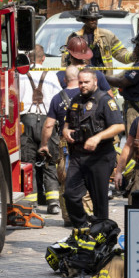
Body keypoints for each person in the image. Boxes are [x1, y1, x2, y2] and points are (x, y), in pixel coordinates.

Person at [62, 68, 125, 228]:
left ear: (95, 81)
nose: (82, 85)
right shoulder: (76, 100)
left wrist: (98, 137)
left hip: (100, 157)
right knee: (70, 194)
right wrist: (65, 131)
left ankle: (100, 233)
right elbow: (67, 123)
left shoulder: (105, 100)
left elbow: (119, 126)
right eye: (80, 82)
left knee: (99, 201)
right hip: (78, 156)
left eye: (86, 82)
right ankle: (82, 227)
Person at [39, 66, 92, 227]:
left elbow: (49, 125)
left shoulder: (57, 98)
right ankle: (87, 213)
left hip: (65, 143)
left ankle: (68, 216)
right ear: (79, 78)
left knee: (65, 179)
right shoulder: (88, 94)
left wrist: (44, 144)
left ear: (64, 80)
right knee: (86, 177)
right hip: (87, 141)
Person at [19, 44, 63, 214]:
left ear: (28, 58)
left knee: (27, 163)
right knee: (50, 162)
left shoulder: (20, 74)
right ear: (43, 58)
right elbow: (58, 100)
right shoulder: (51, 74)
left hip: (26, 122)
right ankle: (53, 203)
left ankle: (31, 203)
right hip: (47, 122)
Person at [105, 27, 139, 131]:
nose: (134, 49)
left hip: (135, 109)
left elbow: (122, 82)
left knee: (134, 139)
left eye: (136, 46)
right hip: (138, 105)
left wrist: (101, 76)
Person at [69, 2, 133, 75]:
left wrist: (132, 56)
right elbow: (66, 61)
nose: (94, 21)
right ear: (84, 20)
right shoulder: (74, 38)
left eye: (96, 18)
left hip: (103, 79)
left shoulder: (107, 36)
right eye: (91, 18)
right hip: (83, 79)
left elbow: (120, 53)